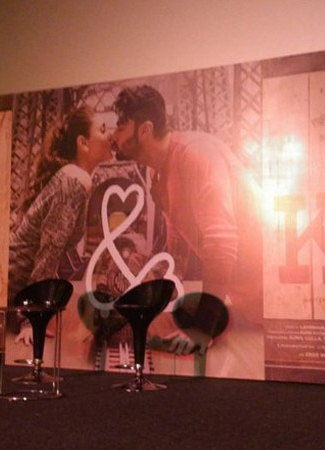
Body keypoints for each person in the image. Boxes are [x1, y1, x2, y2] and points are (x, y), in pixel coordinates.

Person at [112, 85, 264, 379]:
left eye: (120, 125)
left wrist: (204, 327)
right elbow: (178, 242)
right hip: (250, 309)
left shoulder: (196, 154)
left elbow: (222, 243)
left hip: (278, 307)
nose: (114, 135)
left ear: (145, 130)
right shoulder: (157, 171)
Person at [8, 105, 113, 344]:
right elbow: (49, 251)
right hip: (12, 286)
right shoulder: (74, 180)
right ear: (83, 143)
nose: (109, 135)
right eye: (102, 129)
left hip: (16, 283)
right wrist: (30, 318)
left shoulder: (73, 177)